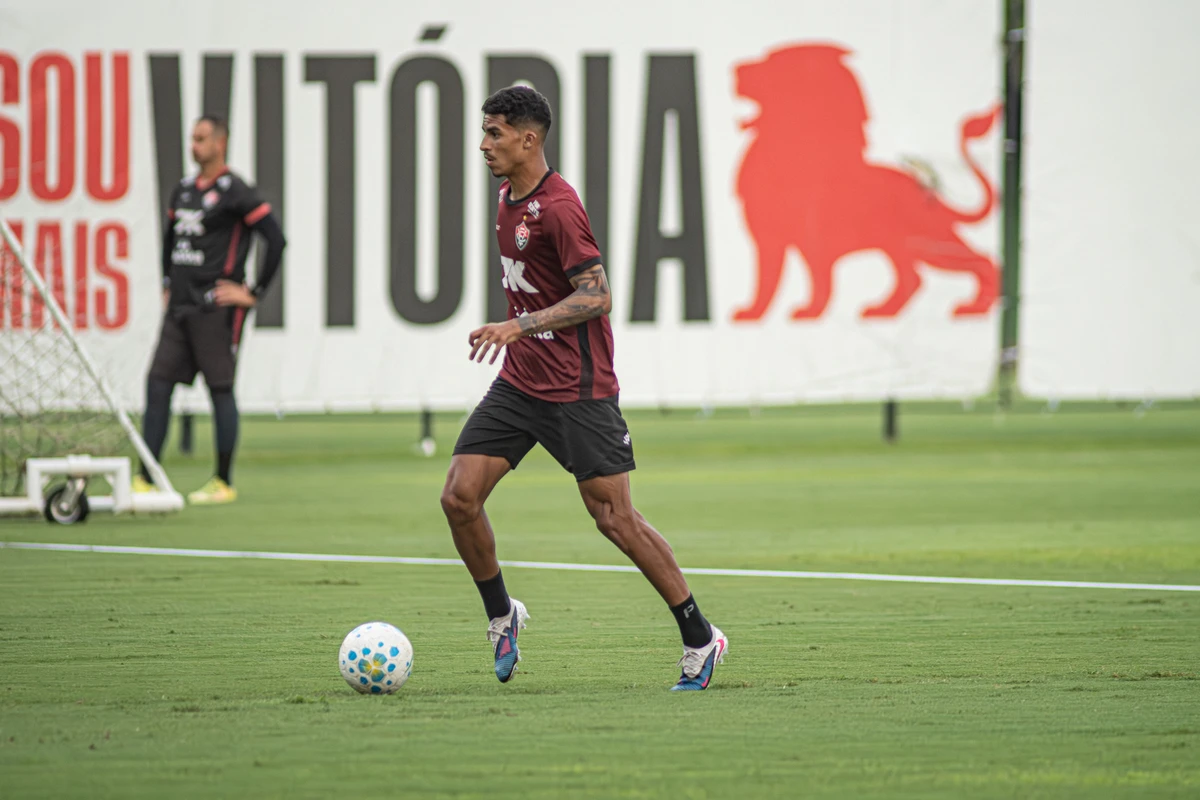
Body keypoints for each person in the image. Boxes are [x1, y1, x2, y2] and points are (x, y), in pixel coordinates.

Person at [440, 86, 727, 691]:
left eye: (494, 133)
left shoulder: (561, 207)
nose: (484, 144)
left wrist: (517, 325)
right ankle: (502, 616)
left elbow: (598, 296)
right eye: (484, 132)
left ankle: (700, 637)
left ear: (529, 139)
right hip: (521, 384)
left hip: (578, 389)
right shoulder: (505, 198)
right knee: (459, 497)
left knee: (615, 519)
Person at [133, 114, 286, 505]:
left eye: (201, 138)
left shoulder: (236, 191)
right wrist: (167, 282)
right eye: (192, 138)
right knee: (157, 385)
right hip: (179, 309)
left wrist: (252, 292)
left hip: (215, 309)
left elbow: (276, 239)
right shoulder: (183, 191)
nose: (194, 145)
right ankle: (145, 477)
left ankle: (222, 480)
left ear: (221, 143)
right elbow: (170, 242)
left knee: (220, 389)